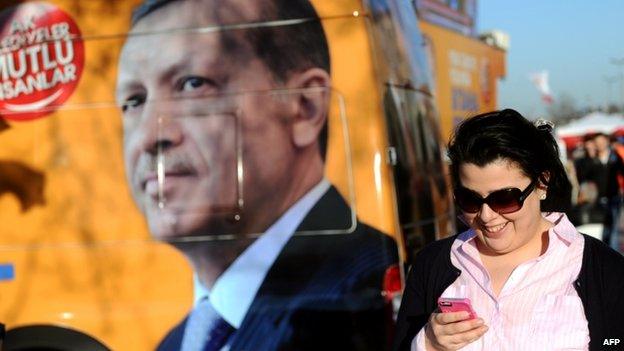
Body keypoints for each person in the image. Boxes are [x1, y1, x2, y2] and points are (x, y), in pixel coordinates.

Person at [116, 0, 398, 350]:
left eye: (192, 84)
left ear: (304, 107)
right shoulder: (179, 342)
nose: (148, 136)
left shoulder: (351, 302)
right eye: (133, 101)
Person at [392, 109, 624, 351]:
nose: (486, 215)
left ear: (542, 183)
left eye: (504, 199)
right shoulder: (433, 265)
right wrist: (427, 343)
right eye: (469, 199)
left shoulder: (603, 269)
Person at [592, 133, 624, 251]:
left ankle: (611, 250)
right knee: (602, 226)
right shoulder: (592, 159)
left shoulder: (615, 157)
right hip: (598, 198)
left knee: (613, 225)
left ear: (606, 142)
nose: (599, 145)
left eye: (601, 141)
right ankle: (603, 248)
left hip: (614, 196)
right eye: (597, 142)